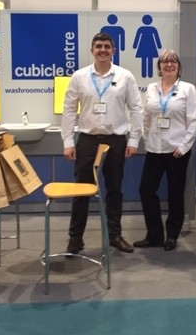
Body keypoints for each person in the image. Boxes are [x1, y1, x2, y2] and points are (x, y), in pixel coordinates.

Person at [61, 32, 143, 254]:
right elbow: (69, 109)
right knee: (82, 190)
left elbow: (136, 108)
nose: (103, 50)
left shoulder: (125, 76)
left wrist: (134, 139)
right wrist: (68, 140)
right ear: (92, 50)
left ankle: (115, 235)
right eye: (98, 46)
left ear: (113, 51)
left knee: (115, 189)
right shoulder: (79, 76)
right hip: (87, 141)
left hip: (116, 140)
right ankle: (75, 239)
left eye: (107, 46)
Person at [134, 50, 196, 251]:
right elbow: (146, 117)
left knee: (175, 193)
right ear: (159, 67)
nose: (168, 64)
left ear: (179, 67)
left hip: (176, 151)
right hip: (154, 149)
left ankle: (172, 234)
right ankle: (154, 234)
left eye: (173, 61)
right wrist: (146, 138)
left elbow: (195, 119)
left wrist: (184, 145)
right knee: (146, 190)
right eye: (164, 61)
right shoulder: (152, 89)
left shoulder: (187, 89)